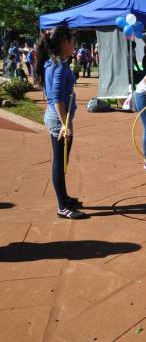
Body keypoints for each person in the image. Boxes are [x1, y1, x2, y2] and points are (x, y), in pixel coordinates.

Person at [36, 26, 86, 219]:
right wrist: (64, 124)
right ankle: (62, 206)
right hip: (59, 120)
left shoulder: (57, 63)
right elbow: (56, 97)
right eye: (72, 42)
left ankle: (64, 198)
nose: (74, 45)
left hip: (60, 118)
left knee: (62, 161)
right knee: (59, 162)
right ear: (63, 42)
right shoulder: (57, 65)